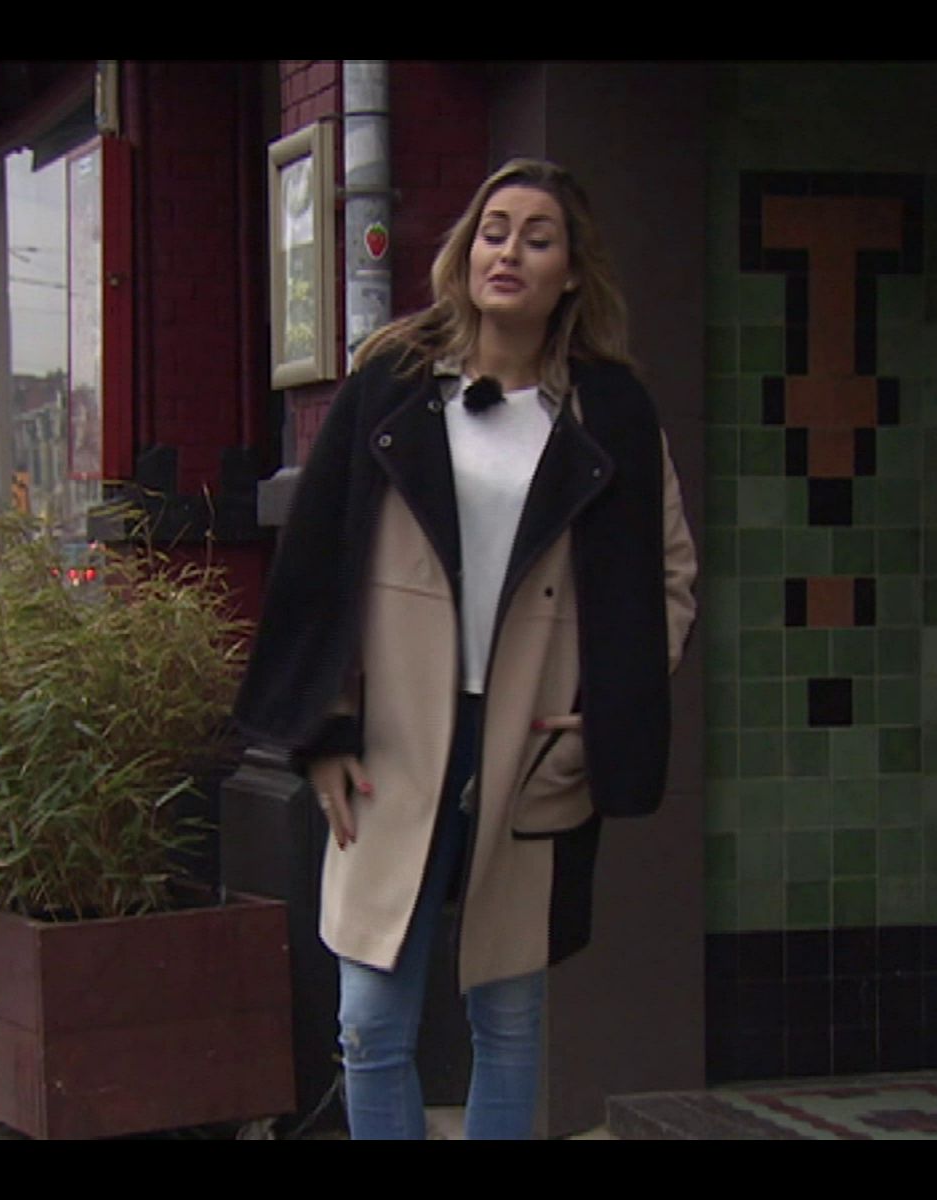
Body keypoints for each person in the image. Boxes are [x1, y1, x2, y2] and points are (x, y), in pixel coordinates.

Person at [233, 158, 697, 1139]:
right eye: (494, 230)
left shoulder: (611, 410)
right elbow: (316, 560)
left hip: (531, 738)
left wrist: (607, 711)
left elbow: (669, 576)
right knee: (370, 1021)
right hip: (392, 735)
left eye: (538, 237)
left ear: (571, 271)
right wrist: (322, 732)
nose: (509, 252)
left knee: (509, 1015)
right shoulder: (392, 385)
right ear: (467, 250)